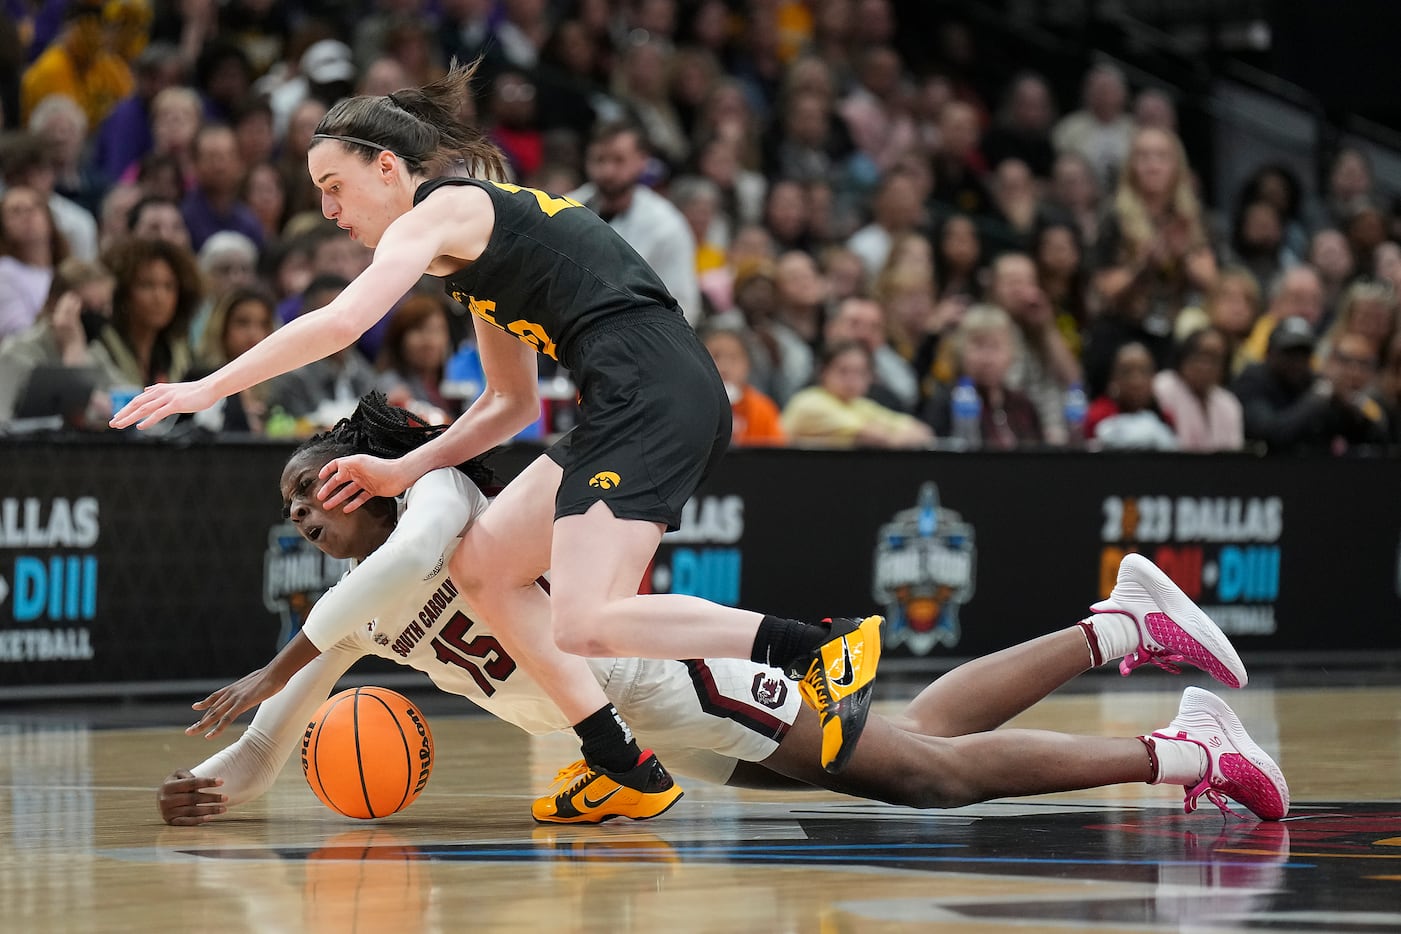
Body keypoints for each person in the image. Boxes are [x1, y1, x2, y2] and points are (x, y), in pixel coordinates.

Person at [112, 61, 881, 823]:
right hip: (637, 392)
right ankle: (620, 762)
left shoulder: (440, 211)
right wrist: (402, 469)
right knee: (483, 566)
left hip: (649, 387)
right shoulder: (469, 257)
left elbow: (344, 322)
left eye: (334, 185)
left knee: (584, 620)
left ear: (387, 167)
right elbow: (508, 404)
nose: (327, 206)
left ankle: (816, 647)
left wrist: (206, 386)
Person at [158, 395, 1287, 827]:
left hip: (674, 687)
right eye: (292, 506)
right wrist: (213, 788)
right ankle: (1123, 627)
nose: (303, 510)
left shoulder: (440, 498)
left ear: (371, 467)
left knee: (928, 780)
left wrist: (281, 660)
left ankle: (1181, 751)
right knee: (920, 745)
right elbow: (270, 741)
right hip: (668, 736)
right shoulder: (350, 603)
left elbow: (393, 581)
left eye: (316, 485)